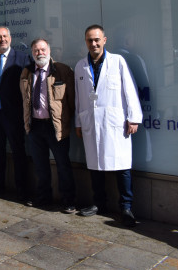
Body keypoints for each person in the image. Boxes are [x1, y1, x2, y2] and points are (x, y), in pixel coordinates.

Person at [75, 24, 142, 227]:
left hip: (116, 122)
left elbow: (130, 90)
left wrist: (133, 117)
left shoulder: (118, 61)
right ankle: (99, 204)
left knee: (122, 167)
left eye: (97, 39)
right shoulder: (80, 66)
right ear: (86, 42)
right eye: (89, 40)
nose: (93, 43)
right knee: (95, 166)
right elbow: (79, 97)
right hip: (91, 122)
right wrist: (79, 122)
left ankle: (126, 208)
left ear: (105, 40)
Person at [20, 38, 76, 213]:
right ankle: (44, 197)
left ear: (49, 51)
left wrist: (70, 123)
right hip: (35, 126)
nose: (40, 53)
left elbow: (72, 101)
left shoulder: (62, 70)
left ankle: (69, 201)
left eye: (43, 49)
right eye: (36, 50)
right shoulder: (27, 72)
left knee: (62, 165)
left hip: (55, 127)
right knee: (40, 165)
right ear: (32, 53)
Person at [0, 26, 31, 201]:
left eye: (4, 36)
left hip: (14, 114)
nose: (2, 39)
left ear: (10, 38)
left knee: (18, 152)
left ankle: (22, 189)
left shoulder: (22, 58)